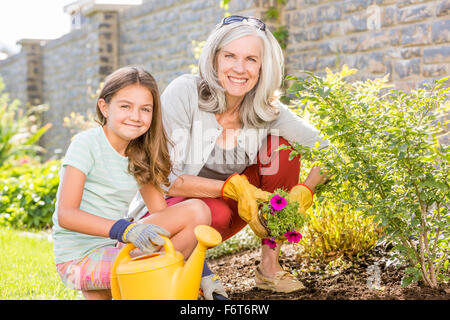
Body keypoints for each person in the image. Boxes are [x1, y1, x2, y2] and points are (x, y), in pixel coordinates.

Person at [128, 15, 329, 297]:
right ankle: (190, 267)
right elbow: (162, 178)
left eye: (251, 59)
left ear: (263, 67)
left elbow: (328, 150)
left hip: (231, 206)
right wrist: (230, 188)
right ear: (214, 59)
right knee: (216, 211)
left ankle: (269, 268)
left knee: (282, 150)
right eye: (230, 56)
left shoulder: (268, 110)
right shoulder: (185, 92)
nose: (239, 68)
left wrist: (304, 190)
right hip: (170, 208)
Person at [52, 66, 211, 300]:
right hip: (79, 260)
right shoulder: (86, 144)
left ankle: (139, 283)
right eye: (125, 106)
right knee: (147, 285)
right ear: (104, 107)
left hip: (117, 250)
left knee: (197, 210)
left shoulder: (139, 152)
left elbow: (162, 215)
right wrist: (125, 229)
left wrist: (200, 270)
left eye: (145, 109)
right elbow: (66, 214)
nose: (136, 116)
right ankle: (136, 285)